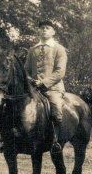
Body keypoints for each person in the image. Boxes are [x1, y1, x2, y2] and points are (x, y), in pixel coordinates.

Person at [26, 19, 67, 154]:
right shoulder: (32, 49)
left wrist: (43, 83)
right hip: (33, 88)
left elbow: (60, 72)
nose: (44, 30)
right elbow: (25, 69)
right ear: (38, 31)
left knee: (56, 109)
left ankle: (55, 141)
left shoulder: (58, 49)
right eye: (42, 28)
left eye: (47, 28)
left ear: (53, 32)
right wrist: (30, 80)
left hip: (52, 88)